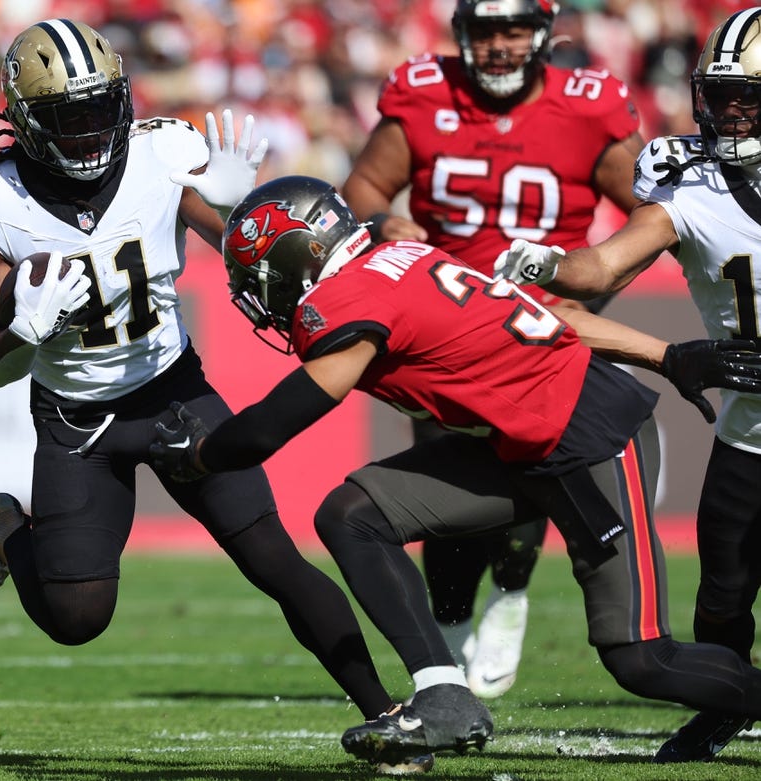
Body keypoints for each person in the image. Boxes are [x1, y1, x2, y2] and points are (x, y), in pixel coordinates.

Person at [149, 174, 761, 767]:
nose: (267, 294)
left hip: (587, 440)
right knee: (352, 515)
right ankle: (443, 694)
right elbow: (550, 318)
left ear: (305, 257)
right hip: (519, 444)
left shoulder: (350, 297)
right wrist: (663, 354)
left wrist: (201, 455)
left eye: (267, 277)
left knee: (642, 660)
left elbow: (272, 424)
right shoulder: (399, 257)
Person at [0, 17, 402, 755]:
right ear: (26, 122)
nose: (92, 132)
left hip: (172, 391)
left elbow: (241, 248)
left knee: (274, 558)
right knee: (77, 617)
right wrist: (21, 329)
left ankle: (387, 714)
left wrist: (245, 207)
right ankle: (5, 528)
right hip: (76, 420)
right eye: (71, 117)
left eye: (101, 108)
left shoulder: (163, 152)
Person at [341, 0, 645, 699]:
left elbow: (653, 216)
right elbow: (364, 183)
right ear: (462, 35)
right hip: (442, 322)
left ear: (542, 35)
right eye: (485, 31)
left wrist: (592, 289)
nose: (500, 46)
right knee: (443, 475)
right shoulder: (422, 93)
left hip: (536, 325)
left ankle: (509, 592)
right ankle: (448, 622)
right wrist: (386, 219)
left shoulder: (586, 105)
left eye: (513, 30)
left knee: (533, 463)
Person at [493, 5, 761, 763]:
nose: (732, 111)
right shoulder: (697, 187)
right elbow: (603, 265)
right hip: (746, 432)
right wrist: (545, 261)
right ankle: (726, 709)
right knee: (723, 596)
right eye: (725, 93)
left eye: (752, 96)